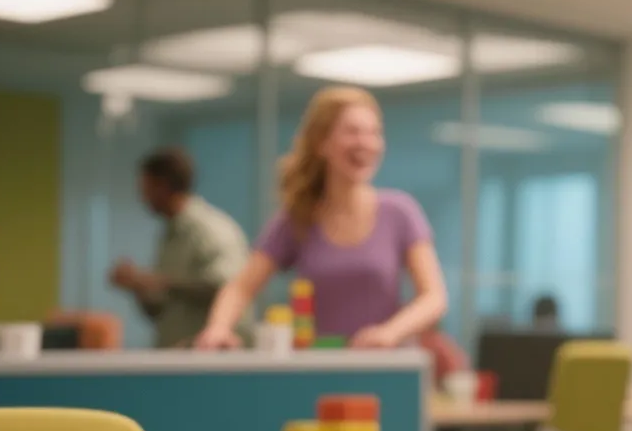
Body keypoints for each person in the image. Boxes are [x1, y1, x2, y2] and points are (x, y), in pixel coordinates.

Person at [194, 86, 447, 350]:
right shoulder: (298, 218)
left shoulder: (400, 212)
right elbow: (241, 287)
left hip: (385, 366)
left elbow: (434, 297)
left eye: (374, 133)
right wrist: (218, 327)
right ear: (321, 143)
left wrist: (390, 333)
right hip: (322, 367)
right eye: (353, 132)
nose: (366, 143)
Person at [110, 147, 248, 348]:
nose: (142, 197)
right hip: (175, 357)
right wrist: (139, 286)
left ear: (162, 186)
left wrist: (160, 283)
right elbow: (161, 309)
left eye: (145, 188)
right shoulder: (169, 235)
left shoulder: (210, 230)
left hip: (209, 361)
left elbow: (227, 287)